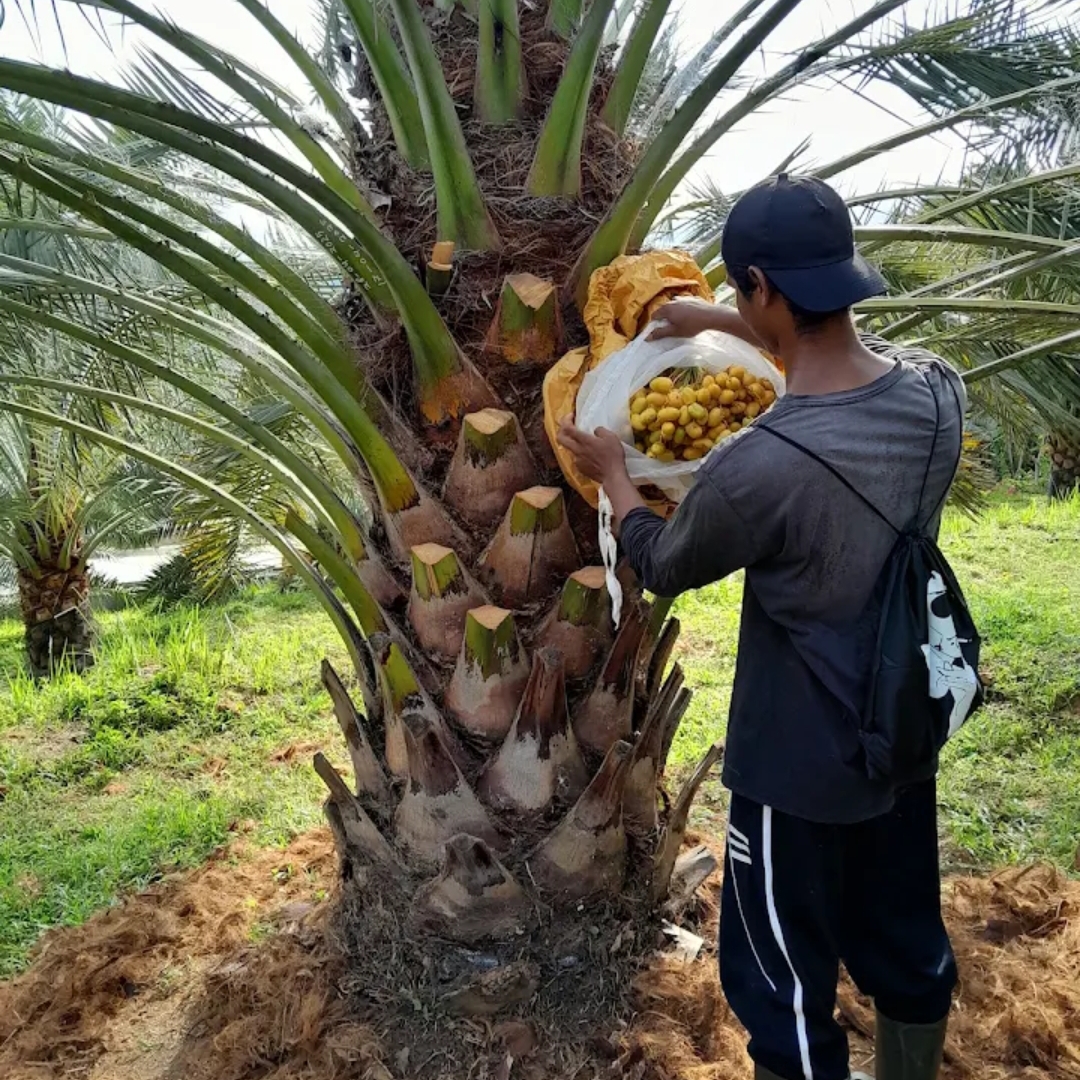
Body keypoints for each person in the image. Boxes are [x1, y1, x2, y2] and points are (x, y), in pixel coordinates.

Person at [558, 174, 963, 1080]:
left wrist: (617, 478)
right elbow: (872, 356)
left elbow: (663, 564)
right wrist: (729, 320)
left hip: (796, 768)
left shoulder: (757, 464)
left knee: (782, 987)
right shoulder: (940, 398)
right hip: (902, 728)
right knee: (906, 943)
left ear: (761, 285)